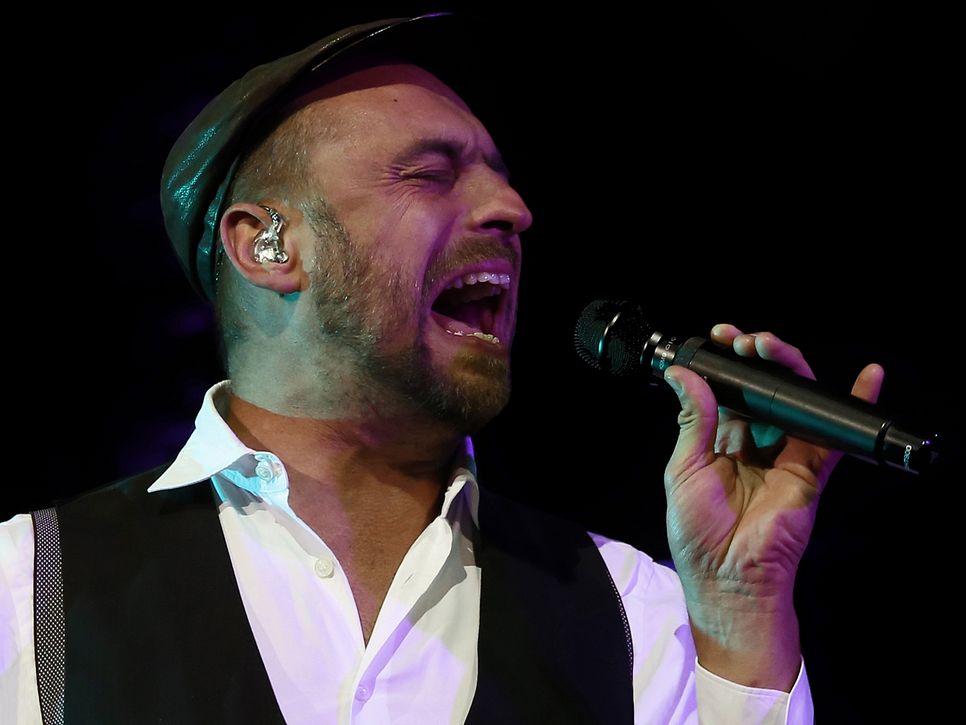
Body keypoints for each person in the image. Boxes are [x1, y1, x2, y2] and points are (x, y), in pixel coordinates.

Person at [0, 13, 883, 724]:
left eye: (501, 177)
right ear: (269, 246)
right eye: (430, 175)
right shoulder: (27, 587)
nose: (513, 210)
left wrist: (739, 611)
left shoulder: (629, 607)